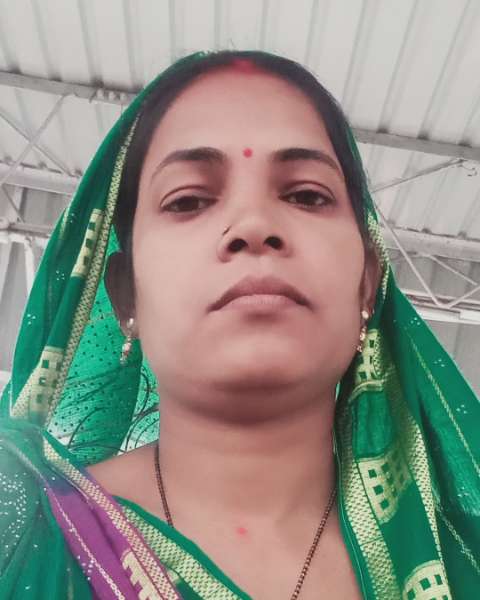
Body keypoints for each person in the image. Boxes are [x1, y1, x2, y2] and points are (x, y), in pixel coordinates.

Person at [0, 50, 478, 600]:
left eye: (306, 195)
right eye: (189, 200)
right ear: (126, 294)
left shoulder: (460, 560)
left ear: (368, 283)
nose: (253, 224)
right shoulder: (19, 527)